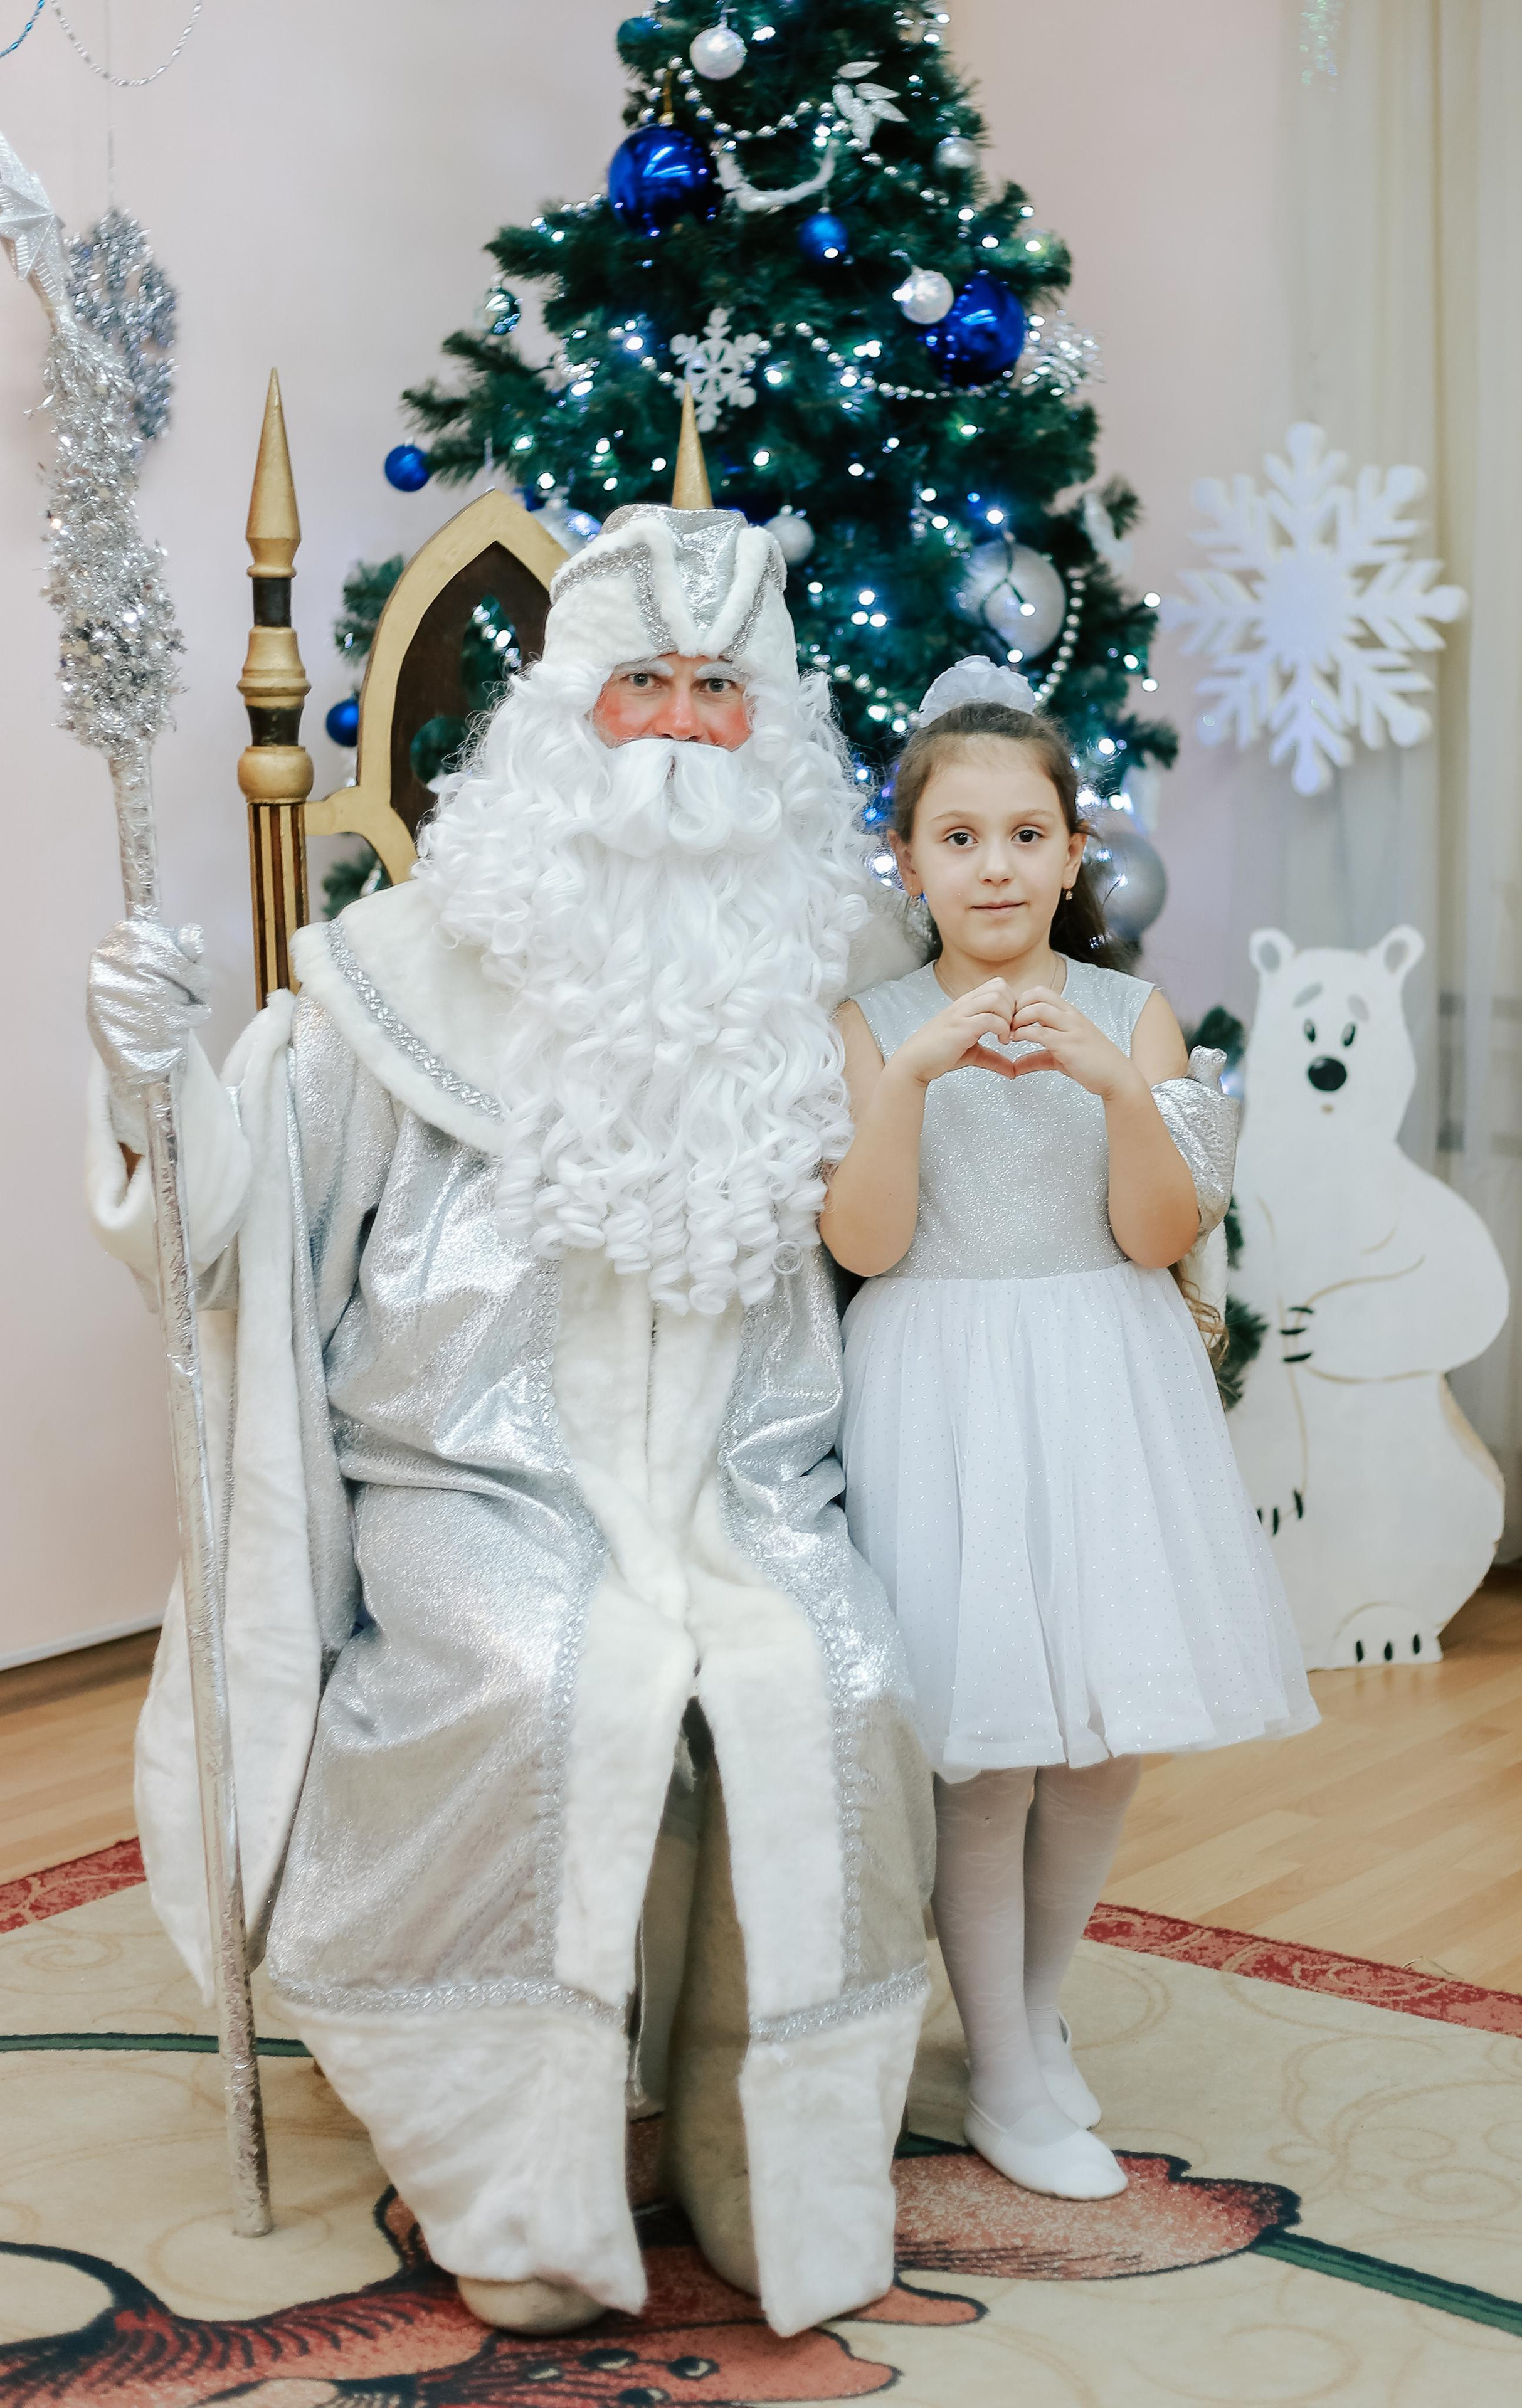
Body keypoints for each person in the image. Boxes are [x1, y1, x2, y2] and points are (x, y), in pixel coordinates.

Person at [83, 500, 934, 2340]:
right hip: (474, 1478)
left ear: (772, 726)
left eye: (721, 689)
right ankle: (518, 2185)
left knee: (838, 1675)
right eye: (646, 684)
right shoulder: (400, 970)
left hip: (745, 1483)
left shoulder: (845, 970)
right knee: (543, 1681)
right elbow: (237, 1237)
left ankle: (760, 2147)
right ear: (568, 713)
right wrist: (153, 1080)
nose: (685, 727)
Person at [820, 660, 1318, 2202]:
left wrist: (1115, 1087)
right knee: (984, 1758)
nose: (993, 867)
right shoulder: (870, 1023)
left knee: (1101, 1741)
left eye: (1024, 836)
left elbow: (1158, 1233)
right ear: (906, 860)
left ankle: (1027, 2016)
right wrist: (911, 1077)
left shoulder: (1130, 1015)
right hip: (942, 1386)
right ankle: (1003, 2078)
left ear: (1071, 853)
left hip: (1103, 1389)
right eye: (957, 838)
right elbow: (862, 1247)